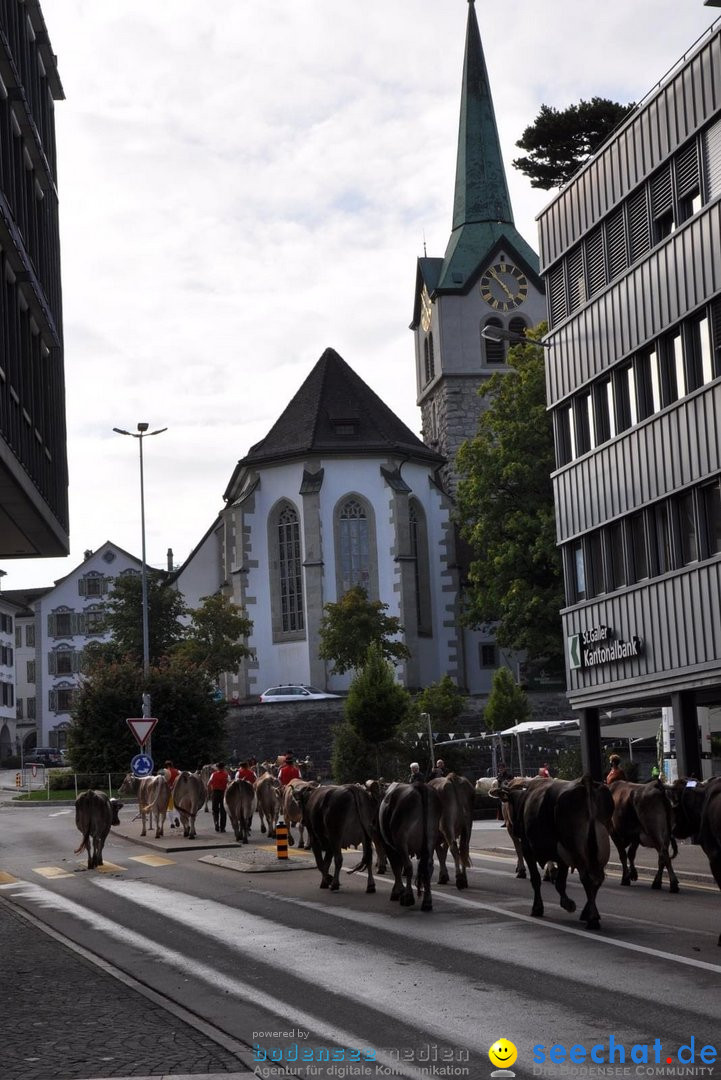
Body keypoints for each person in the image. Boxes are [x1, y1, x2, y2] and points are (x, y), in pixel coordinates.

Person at [208, 762, 231, 832]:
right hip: (224, 793)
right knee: (223, 811)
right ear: (223, 768)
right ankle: (222, 827)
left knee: (215, 810)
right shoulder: (227, 775)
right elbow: (229, 784)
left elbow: (208, 783)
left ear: (217, 768)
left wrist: (211, 790)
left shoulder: (213, 774)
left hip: (215, 793)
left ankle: (216, 823)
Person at [163, 760, 181, 828]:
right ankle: (177, 817)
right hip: (177, 792)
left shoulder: (165, 772)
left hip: (169, 792)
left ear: (166, 766)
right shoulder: (178, 771)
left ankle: (172, 823)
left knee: (170, 808)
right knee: (177, 807)